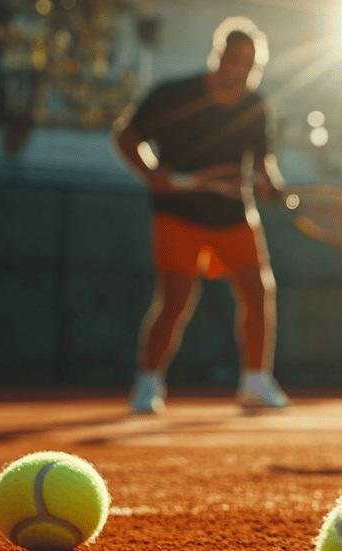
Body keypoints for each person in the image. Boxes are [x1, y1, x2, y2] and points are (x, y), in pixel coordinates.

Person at [114, 16, 289, 414]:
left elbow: (263, 165)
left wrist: (271, 184)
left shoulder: (255, 106)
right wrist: (153, 175)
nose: (240, 69)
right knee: (175, 299)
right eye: (234, 59)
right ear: (219, 55)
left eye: (249, 64)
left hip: (233, 214)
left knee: (258, 292)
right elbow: (126, 136)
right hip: (178, 213)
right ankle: (148, 383)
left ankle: (256, 382)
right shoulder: (173, 95)